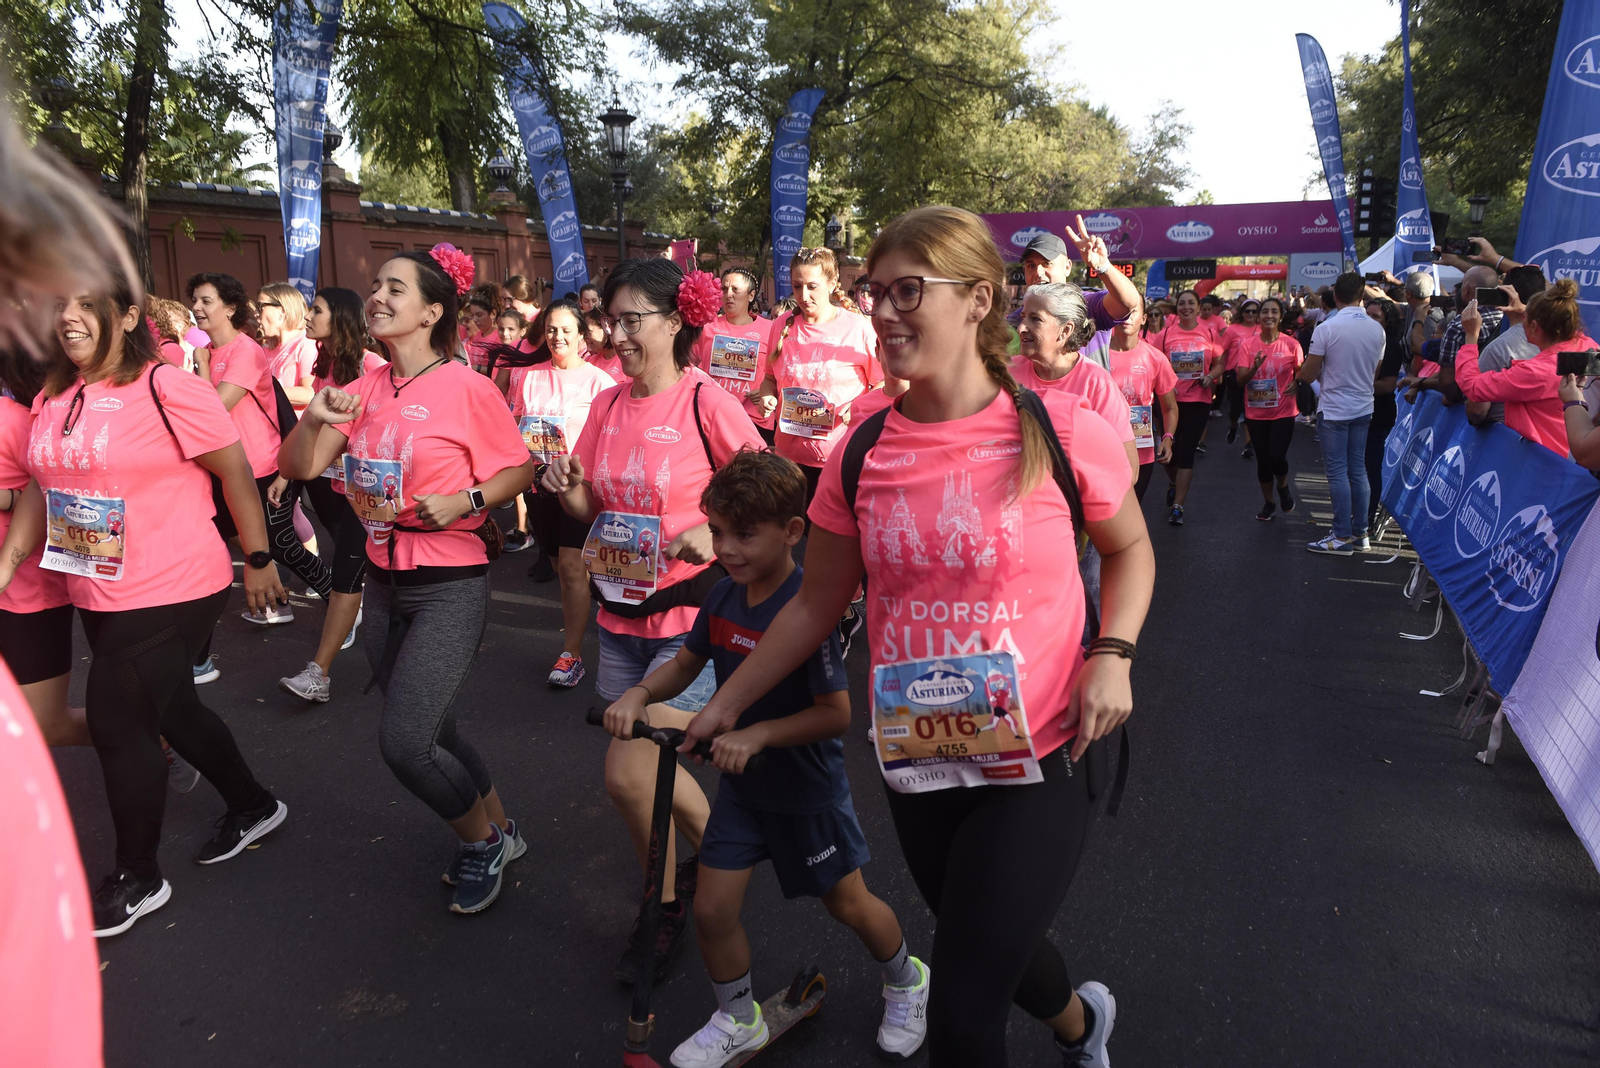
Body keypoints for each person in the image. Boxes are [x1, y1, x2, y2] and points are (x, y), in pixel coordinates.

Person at [684, 204, 1154, 1068]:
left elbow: (1129, 550)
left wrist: (1113, 655)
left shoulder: (1060, 429)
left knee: (963, 1019)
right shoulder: (862, 449)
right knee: (988, 945)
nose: (884, 311)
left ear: (979, 299)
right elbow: (815, 603)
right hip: (921, 755)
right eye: (875, 292)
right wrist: (725, 704)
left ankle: (1060, 1025)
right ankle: (1082, 1026)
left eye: (909, 291)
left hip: (1043, 753)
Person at [603, 450, 929, 1066]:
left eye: (745, 535)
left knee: (848, 904)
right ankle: (738, 1018)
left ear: (792, 531)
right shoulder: (723, 596)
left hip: (807, 792)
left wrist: (757, 735)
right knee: (712, 909)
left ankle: (908, 980)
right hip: (744, 792)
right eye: (718, 532)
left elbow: (835, 714)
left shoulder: (809, 607)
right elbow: (685, 663)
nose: (727, 549)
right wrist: (640, 694)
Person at [10, 277, 290, 937]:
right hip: (95, 582)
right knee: (172, 709)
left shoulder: (169, 387)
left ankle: (137, 876)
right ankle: (253, 804)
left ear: (130, 315)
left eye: (86, 304)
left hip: (175, 583)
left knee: (117, 718)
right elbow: (40, 486)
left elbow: (234, 472)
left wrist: (258, 558)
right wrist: (7, 562)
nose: (69, 317)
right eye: (61, 306)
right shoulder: (53, 395)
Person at [278, 244, 535, 914]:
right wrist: (313, 418)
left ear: (432, 311)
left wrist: (467, 500)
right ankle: (503, 830)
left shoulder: (468, 388)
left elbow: (518, 469)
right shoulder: (363, 388)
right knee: (434, 727)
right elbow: (300, 467)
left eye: (396, 288)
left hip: (450, 582)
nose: (378, 296)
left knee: (405, 743)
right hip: (383, 581)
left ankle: (481, 844)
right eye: (376, 285)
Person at [540, 258, 765, 982]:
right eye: (611, 321)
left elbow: (772, 489)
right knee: (645, 772)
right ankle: (705, 867)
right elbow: (589, 507)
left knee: (629, 773)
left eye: (631, 320)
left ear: (675, 321)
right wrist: (566, 485)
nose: (616, 335)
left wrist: (715, 530)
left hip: (690, 625)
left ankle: (677, 897)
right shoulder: (607, 403)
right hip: (619, 617)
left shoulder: (707, 402)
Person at [187, 272, 332, 638]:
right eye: (195, 300)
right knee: (231, 531)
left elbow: (212, 410)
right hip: (227, 467)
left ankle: (342, 597)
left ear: (230, 308)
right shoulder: (210, 351)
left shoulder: (245, 351)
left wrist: (201, 368)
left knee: (280, 543)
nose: (197, 308)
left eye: (206, 301)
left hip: (264, 465)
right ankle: (278, 603)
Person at [277, 287, 387, 703]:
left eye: (317, 310)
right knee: (345, 555)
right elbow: (317, 426)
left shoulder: (372, 365)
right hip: (328, 477)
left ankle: (321, 670)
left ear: (339, 316)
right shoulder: (323, 363)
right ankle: (356, 618)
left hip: (370, 488)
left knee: (350, 569)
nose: (307, 316)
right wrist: (287, 476)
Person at [511, 298, 614, 687]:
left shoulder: (600, 382)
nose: (558, 337)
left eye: (566, 330)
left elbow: (611, 438)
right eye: (551, 329)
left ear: (582, 334)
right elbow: (517, 425)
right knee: (560, 566)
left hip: (579, 485)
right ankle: (598, 597)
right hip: (540, 485)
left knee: (571, 567)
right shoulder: (528, 377)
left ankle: (571, 655)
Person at [752, 247, 882, 508]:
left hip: (838, 459)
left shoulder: (858, 328)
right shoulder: (781, 325)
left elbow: (883, 383)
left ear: (832, 283)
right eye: (797, 286)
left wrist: (859, 407)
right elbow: (770, 379)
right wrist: (767, 397)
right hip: (787, 460)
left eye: (812, 287)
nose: (803, 296)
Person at [0, 349, 83, 746]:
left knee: (45, 725)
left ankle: (162, 738)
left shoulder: (16, 421)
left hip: (28, 594)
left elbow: (64, 501)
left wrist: (5, 498)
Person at [1455, 281, 1596, 457]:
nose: (1522, 321)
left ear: (1534, 326)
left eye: (1524, 318)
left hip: (1545, 462)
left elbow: (1473, 386)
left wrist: (1471, 336)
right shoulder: (1587, 344)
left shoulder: (1534, 372)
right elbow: (1556, 321)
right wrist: (1525, 309)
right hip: (1574, 457)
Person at [1298, 271, 1386, 553]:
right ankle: (1360, 534)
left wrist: (1313, 373)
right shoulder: (1377, 329)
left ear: (1335, 296)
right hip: (1363, 406)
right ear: (1362, 296)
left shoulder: (1327, 327)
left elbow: (1307, 374)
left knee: (1338, 473)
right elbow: (1375, 373)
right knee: (1358, 470)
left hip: (1335, 408)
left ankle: (1341, 536)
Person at [1012, 282, 1138, 478]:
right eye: (1023, 317)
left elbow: (1128, 471)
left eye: (1035, 319)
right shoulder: (1006, 373)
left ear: (1065, 330)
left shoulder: (1097, 384)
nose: (1021, 328)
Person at [1012, 220, 1140, 370]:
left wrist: (1103, 267)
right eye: (1031, 266)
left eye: (1047, 263)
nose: (1038, 272)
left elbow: (1129, 302)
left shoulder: (1086, 304)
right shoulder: (1017, 320)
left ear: (1067, 267)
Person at [1149, 289, 1221, 525]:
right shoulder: (1165, 334)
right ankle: (1173, 482)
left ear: (1198, 307)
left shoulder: (1209, 333)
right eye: (1182, 303)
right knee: (1169, 455)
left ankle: (1178, 506)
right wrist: (1164, 384)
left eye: (1191, 303)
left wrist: (1210, 376)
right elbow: (1154, 365)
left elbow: (1220, 363)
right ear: (1177, 307)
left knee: (1187, 452)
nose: (1186, 307)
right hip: (1169, 401)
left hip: (1198, 401)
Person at [1229, 297, 1302, 522]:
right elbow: (1241, 380)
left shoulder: (1291, 344)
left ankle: (1283, 486)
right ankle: (1269, 503)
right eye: (1265, 312)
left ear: (1280, 316)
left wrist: (1297, 381)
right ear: (1259, 317)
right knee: (1263, 461)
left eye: (1274, 312)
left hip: (1283, 410)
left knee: (1276, 456)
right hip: (1256, 412)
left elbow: (1301, 371)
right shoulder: (1248, 345)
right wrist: (1255, 367)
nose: (1269, 315)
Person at [693, 267, 778, 445]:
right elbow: (686, 367)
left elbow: (782, 374)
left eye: (735, 289)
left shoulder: (771, 329)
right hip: (711, 417)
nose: (728, 295)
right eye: (724, 289)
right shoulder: (706, 327)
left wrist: (769, 391)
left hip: (755, 421)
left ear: (751, 295)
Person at [1107, 303, 1178, 501]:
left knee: (1131, 509)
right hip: (1103, 449)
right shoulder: (1094, 354)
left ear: (1144, 319)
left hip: (1140, 452)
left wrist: (1167, 437)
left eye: (1133, 312)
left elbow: (1169, 408)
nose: (1126, 317)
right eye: (1121, 311)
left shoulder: (1155, 358)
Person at [259, 282, 318, 407]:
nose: (255, 314)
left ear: (282, 311)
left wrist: (261, 392)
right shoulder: (265, 348)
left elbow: (310, 393)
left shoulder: (306, 343)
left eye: (261, 307)